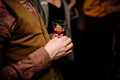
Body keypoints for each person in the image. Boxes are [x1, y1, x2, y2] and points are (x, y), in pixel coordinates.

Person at [0, 0, 73, 80]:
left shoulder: (28, 2)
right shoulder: (3, 9)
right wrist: (48, 54)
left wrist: (49, 38)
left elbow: (26, 39)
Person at [82, 0, 120, 80]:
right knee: (95, 60)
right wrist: (112, 8)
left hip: (109, 23)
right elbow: (87, 8)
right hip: (97, 24)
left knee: (105, 58)